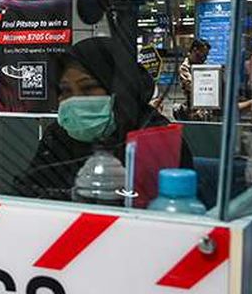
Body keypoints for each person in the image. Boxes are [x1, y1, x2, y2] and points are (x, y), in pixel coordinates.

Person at [14, 37, 188, 201]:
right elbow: (27, 190)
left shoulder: (156, 140)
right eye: (66, 91)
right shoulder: (58, 136)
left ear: (122, 91)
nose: (76, 100)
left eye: (89, 88)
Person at [176, 38, 210, 120]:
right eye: (203, 55)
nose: (204, 58)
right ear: (195, 50)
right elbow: (193, 88)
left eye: (206, 56)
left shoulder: (203, 65)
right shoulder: (185, 68)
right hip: (192, 110)